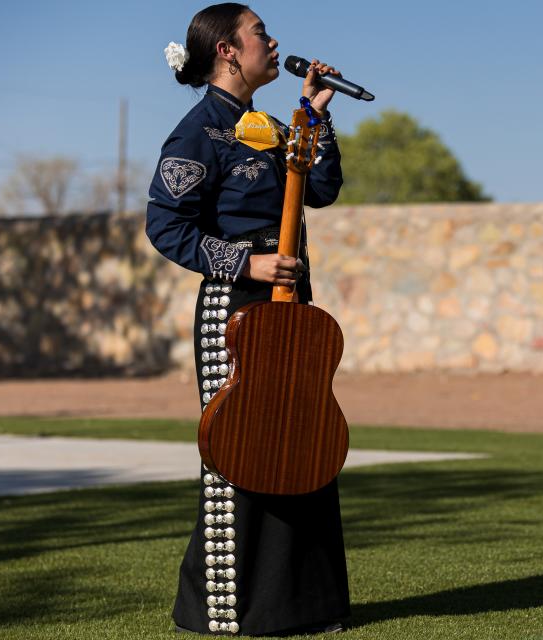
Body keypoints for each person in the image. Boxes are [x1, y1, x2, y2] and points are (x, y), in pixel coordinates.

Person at [145, 3, 349, 635]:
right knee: (242, 452)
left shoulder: (267, 123)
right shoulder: (197, 131)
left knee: (301, 443)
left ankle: (303, 606)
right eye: (260, 31)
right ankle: (226, 612)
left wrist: (315, 116)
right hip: (235, 312)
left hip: (291, 311)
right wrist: (248, 265)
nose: (273, 39)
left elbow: (320, 189)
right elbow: (166, 225)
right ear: (228, 51)